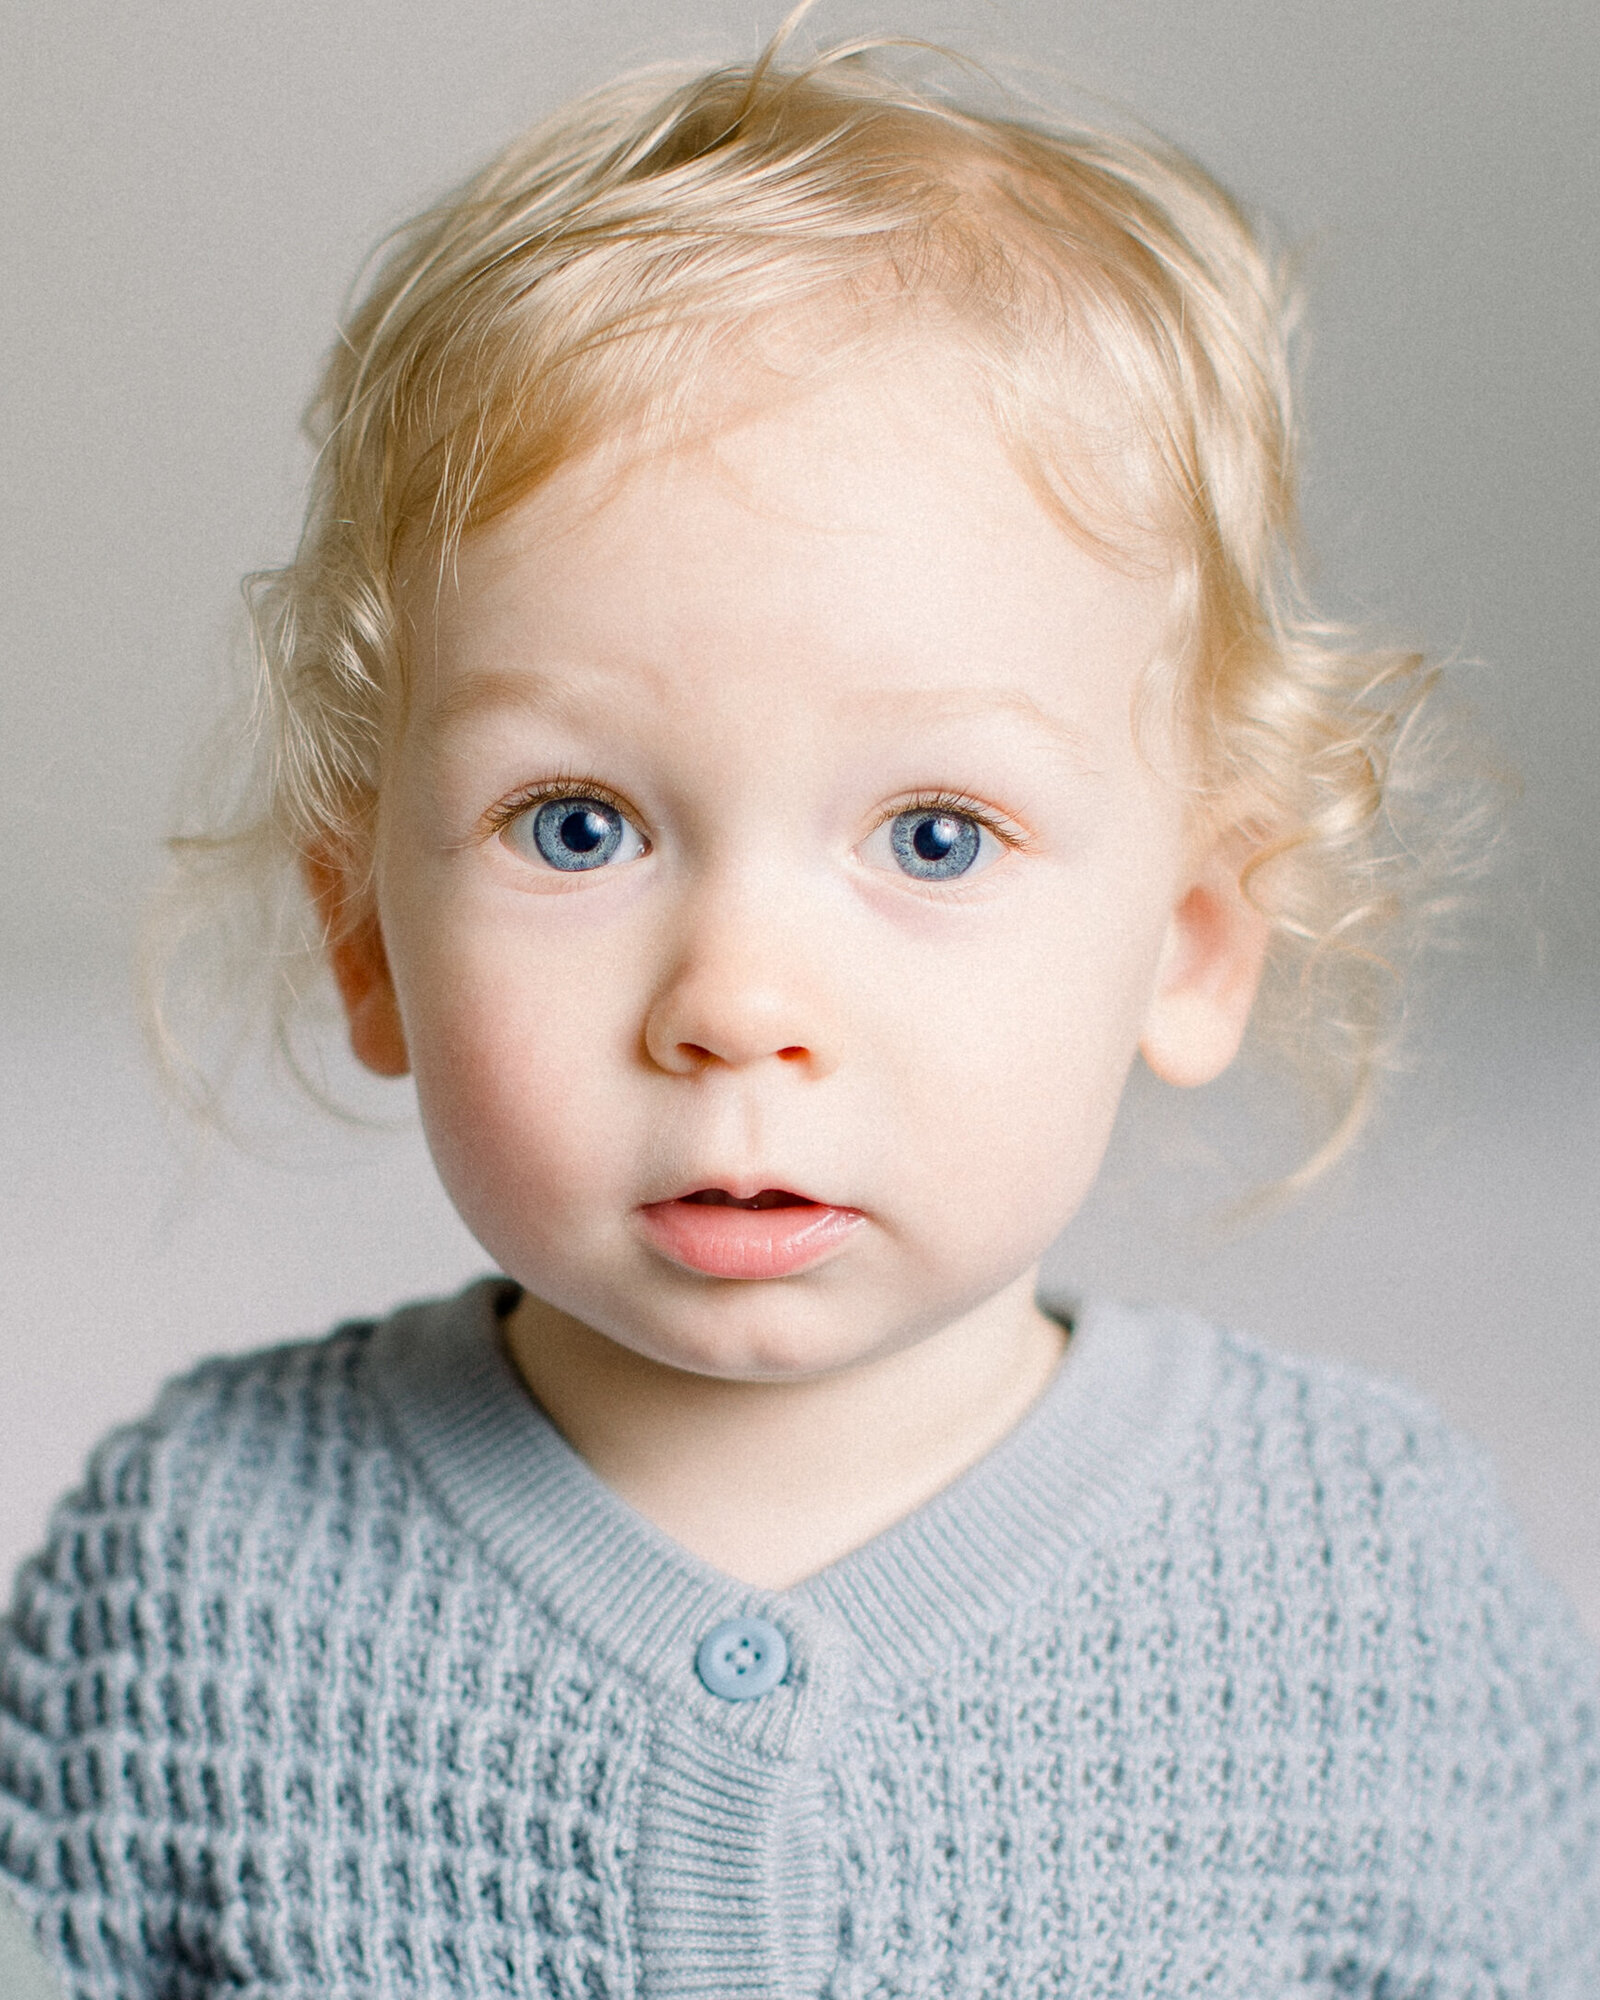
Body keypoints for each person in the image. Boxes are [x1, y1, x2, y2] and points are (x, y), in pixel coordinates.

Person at [2, 23, 1596, 1999]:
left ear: (1189, 935)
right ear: (363, 934)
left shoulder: (1368, 1588)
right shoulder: (191, 1573)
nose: (736, 1005)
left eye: (932, 837)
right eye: (573, 826)